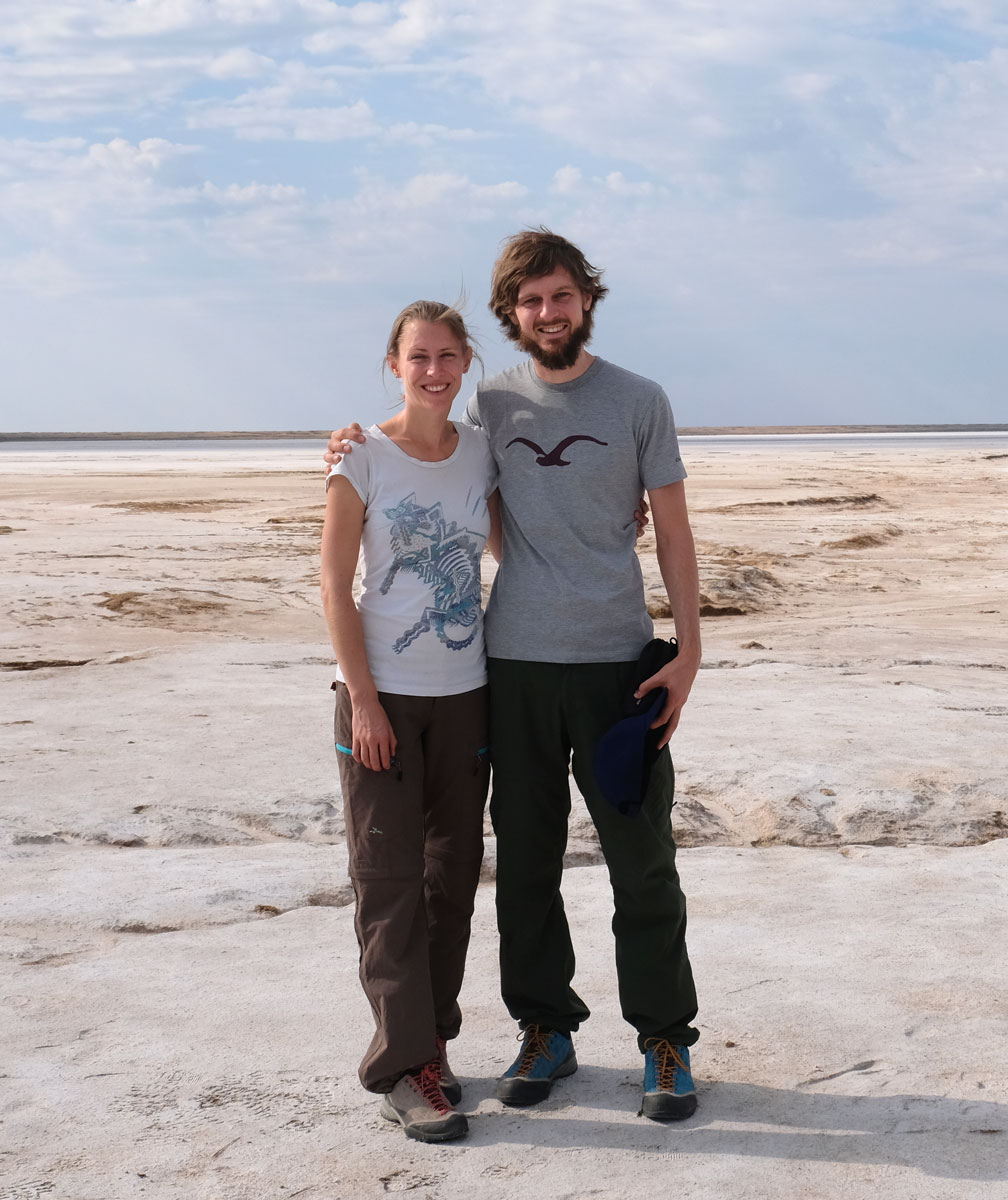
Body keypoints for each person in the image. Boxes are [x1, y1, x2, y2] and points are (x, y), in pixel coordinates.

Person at [326, 229, 704, 1122]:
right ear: (512, 315)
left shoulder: (640, 400)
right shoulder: (487, 405)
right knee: (527, 865)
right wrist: (347, 440)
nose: (548, 313)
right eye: (530, 302)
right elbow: (417, 456)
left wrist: (689, 651)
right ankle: (547, 1028)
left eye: (561, 296)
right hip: (513, 667)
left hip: (619, 668)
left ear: (586, 300)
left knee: (641, 864)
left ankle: (664, 1041)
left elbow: (675, 531)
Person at [319, 300, 496, 1143]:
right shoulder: (361, 459)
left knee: (451, 882)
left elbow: (512, 539)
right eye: (418, 356)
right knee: (388, 884)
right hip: (381, 698)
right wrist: (363, 699)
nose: (434, 370)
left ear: (467, 364)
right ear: (395, 362)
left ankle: (433, 1047)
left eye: (448, 356)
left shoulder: (483, 454)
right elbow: (334, 586)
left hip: (466, 695)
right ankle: (399, 1067)